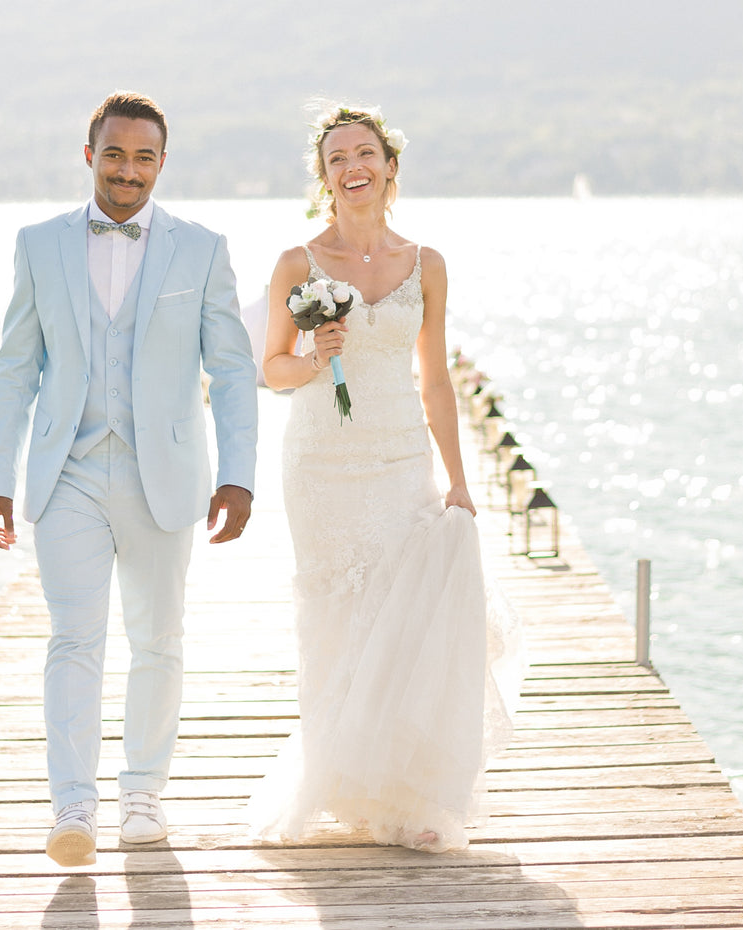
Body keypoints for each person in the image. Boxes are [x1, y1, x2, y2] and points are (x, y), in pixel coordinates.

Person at [0, 92, 258, 867]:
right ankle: (73, 805)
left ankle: (142, 792)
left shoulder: (200, 248)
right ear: (90, 153)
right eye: (114, 153)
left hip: (164, 472)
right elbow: (14, 368)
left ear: (162, 163)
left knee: (158, 640)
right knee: (74, 637)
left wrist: (239, 476)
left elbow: (232, 370)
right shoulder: (40, 244)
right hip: (66, 470)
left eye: (144, 157)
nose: (128, 170)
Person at [249, 104, 522, 852]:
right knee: (337, 621)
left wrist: (459, 481)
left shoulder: (426, 263)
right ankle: (340, 787)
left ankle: (405, 795)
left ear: (390, 167)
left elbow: (435, 381)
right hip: (322, 465)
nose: (352, 168)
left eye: (364, 153)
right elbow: (272, 368)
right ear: (324, 176)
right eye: (336, 158)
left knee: (406, 615)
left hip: (402, 458)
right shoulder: (296, 264)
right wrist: (314, 356)